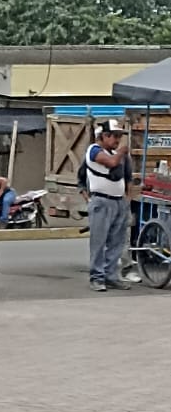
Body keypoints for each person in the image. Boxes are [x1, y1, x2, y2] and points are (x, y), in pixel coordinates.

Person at [84, 118, 133, 293]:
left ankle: (111, 275)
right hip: (102, 201)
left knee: (116, 243)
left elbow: (127, 176)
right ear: (104, 136)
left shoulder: (115, 153)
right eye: (115, 136)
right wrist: (121, 152)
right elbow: (111, 163)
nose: (118, 140)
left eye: (119, 136)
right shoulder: (94, 150)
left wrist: (127, 199)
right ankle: (97, 277)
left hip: (118, 201)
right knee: (99, 242)